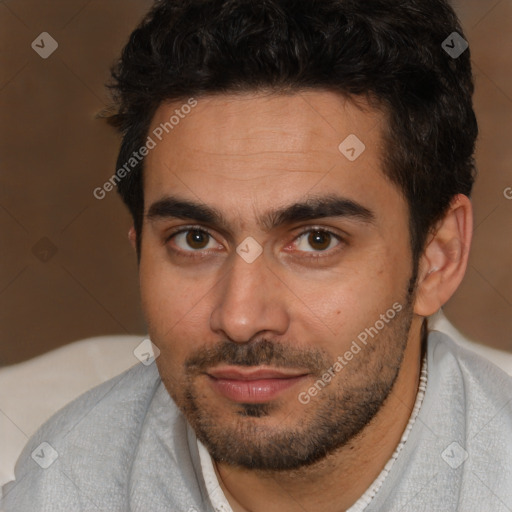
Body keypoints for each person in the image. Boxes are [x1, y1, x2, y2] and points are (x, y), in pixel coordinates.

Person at [2, 0, 512, 510]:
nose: (241, 318)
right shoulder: (61, 484)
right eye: (195, 239)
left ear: (436, 258)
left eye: (316, 240)